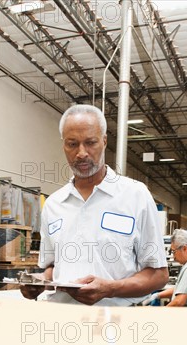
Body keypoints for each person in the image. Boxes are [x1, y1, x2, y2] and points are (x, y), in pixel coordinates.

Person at [20, 104, 168, 306]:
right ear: (63, 144)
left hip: (116, 322)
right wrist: (39, 282)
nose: (81, 153)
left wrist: (111, 289)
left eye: (90, 142)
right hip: (61, 320)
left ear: (104, 141)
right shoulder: (54, 204)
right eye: (72, 144)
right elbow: (53, 268)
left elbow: (158, 275)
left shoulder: (135, 196)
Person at [144, 229, 187, 307]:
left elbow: (179, 302)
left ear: (184, 248)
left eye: (174, 251)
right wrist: (157, 295)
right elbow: (181, 290)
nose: (173, 257)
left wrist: (161, 313)